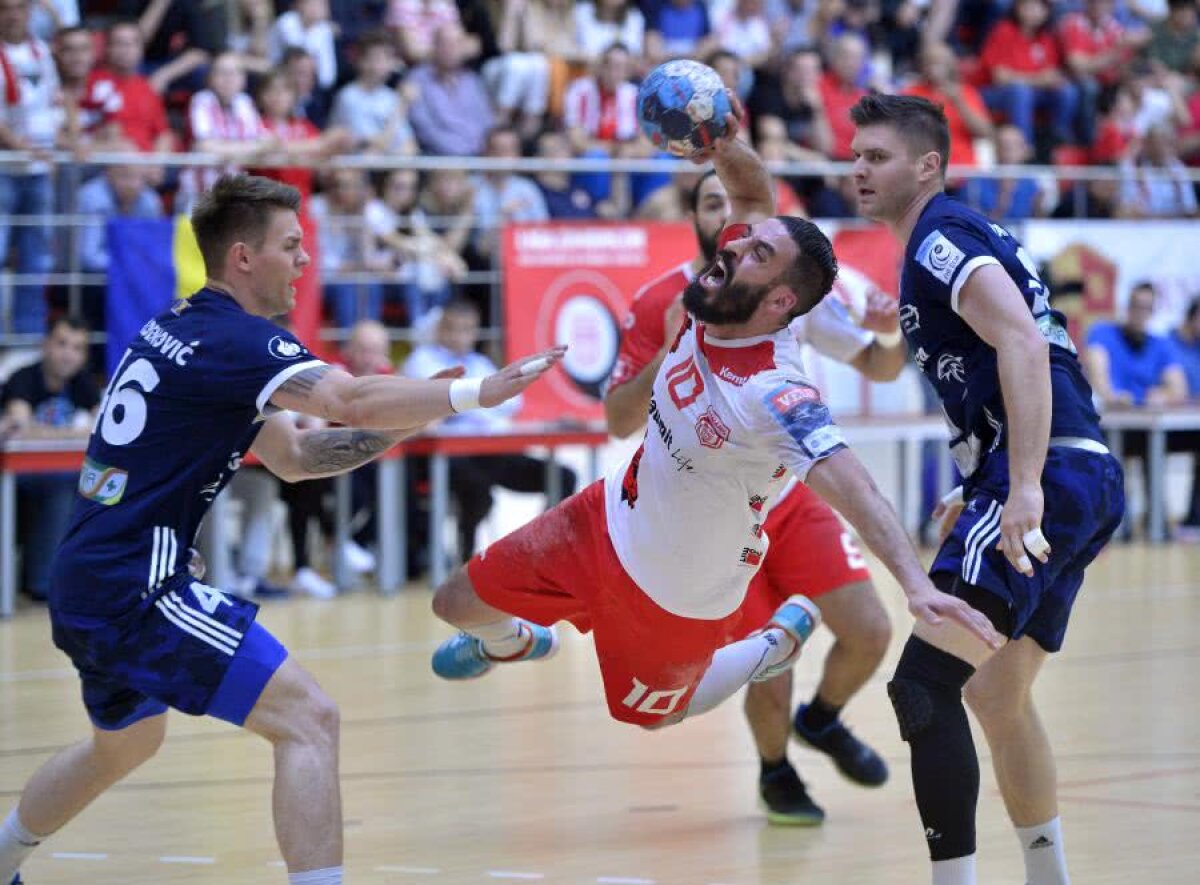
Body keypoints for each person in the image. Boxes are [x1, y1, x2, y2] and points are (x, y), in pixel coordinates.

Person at [0, 173, 563, 885]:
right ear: (242, 256)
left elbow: (296, 456)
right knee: (309, 719)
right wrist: (474, 391)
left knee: (124, 745)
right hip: (135, 585)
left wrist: (420, 414)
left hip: (90, 575)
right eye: (290, 245)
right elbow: (350, 398)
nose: (304, 260)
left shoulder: (180, 325)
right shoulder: (239, 341)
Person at [430, 98, 999, 745]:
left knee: (650, 712)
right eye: (744, 238)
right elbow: (753, 190)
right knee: (453, 604)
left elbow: (854, 483)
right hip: (604, 518)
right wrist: (723, 142)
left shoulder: (772, 392)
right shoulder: (715, 287)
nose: (734, 246)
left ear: (780, 301)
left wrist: (916, 585)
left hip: (679, 591)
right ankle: (520, 642)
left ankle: (770, 646)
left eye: (757, 253)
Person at [848, 93, 1126, 885]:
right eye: (856, 154)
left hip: (1048, 473)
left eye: (878, 156)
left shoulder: (940, 234)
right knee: (997, 695)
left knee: (922, 685)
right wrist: (983, 479)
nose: (858, 168)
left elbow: (1022, 342)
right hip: (1082, 471)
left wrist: (1022, 483)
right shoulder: (938, 247)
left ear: (927, 165)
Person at [605, 167, 907, 823]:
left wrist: (889, 331)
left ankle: (822, 721)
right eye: (709, 204)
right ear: (696, 218)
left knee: (871, 629)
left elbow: (881, 368)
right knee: (767, 665)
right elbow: (616, 419)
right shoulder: (661, 299)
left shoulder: (786, 291)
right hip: (705, 509)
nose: (725, 219)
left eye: (732, 204)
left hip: (786, 495)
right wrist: (677, 348)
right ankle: (777, 772)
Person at [403, 298, 578, 563]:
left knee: (562, 476)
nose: (459, 336)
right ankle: (465, 558)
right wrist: (481, 400)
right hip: (443, 456)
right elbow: (442, 403)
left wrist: (472, 401)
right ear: (440, 330)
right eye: (452, 328)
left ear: (475, 332)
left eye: (466, 329)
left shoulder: (481, 363)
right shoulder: (422, 361)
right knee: (476, 488)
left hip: (491, 452)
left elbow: (510, 403)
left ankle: (542, 551)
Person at [0, 316, 99, 603]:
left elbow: (102, 429)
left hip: (61, 471)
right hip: (18, 474)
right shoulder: (24, 377)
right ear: (46, 345)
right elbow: (20, 428)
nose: (69, 354)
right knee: (63, 484)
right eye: (62, 344)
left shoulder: (83, 382)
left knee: (98, 486)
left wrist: (60, 434)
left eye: (78, 348)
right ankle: (43, 584)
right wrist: (74, 433)